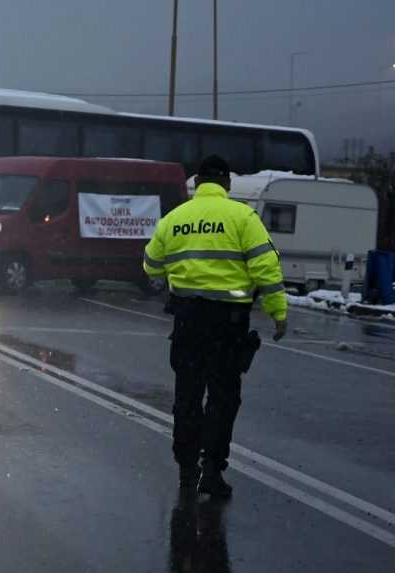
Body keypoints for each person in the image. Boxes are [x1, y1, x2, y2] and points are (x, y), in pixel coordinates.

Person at [143, 155, 288, 498]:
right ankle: (211, 471)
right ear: (227, 184)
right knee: (223, 398)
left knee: (187, 397)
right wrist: (278, 312)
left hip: (188, 321)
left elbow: (150, 265)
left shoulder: (174, 219)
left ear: (196, 184)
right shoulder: (242, 217)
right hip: (228, 324)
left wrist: (175, 279)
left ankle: (185, 470)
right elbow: (266, 268)